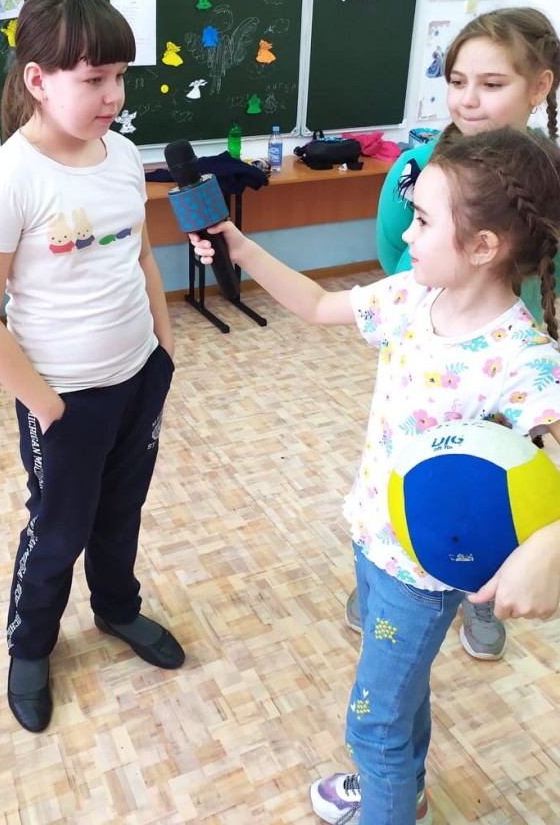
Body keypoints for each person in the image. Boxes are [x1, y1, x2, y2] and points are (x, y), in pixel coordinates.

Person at [190, 127, 560, 824]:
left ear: (484, 246)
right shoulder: (413, 297)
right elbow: (316, 305)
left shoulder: (523, 358)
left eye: (421, 220)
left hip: (421, 578)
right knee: (403, 698)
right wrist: (241, 247)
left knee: (374, 725)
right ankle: (407, 794)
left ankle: (389, 800)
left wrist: (553, 544)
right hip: (371, 536)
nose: (405, 232)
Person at [0, 0, 184, 734]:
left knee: (121, 512)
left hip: (138, 376)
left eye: (119, 76)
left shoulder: (124, 156)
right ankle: (30, 646)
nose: (112, 96)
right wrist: (48, 407)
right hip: (64, 399)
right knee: (59, 530)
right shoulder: (5, 181)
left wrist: (163, 348)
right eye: (93, 79)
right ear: (38, 80)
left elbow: (140, 256)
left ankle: (117, 609)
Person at [347, 6, 560, 662]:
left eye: (491, 84)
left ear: (540, 87)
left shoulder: (549, 184)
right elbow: (397, 264)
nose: (468, 100)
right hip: (434, 374)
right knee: (426, 477)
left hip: (510, 378)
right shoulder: (416, 171)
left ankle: (478, 586)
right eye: (457, 81)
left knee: (493, 487)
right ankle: (397, 568)